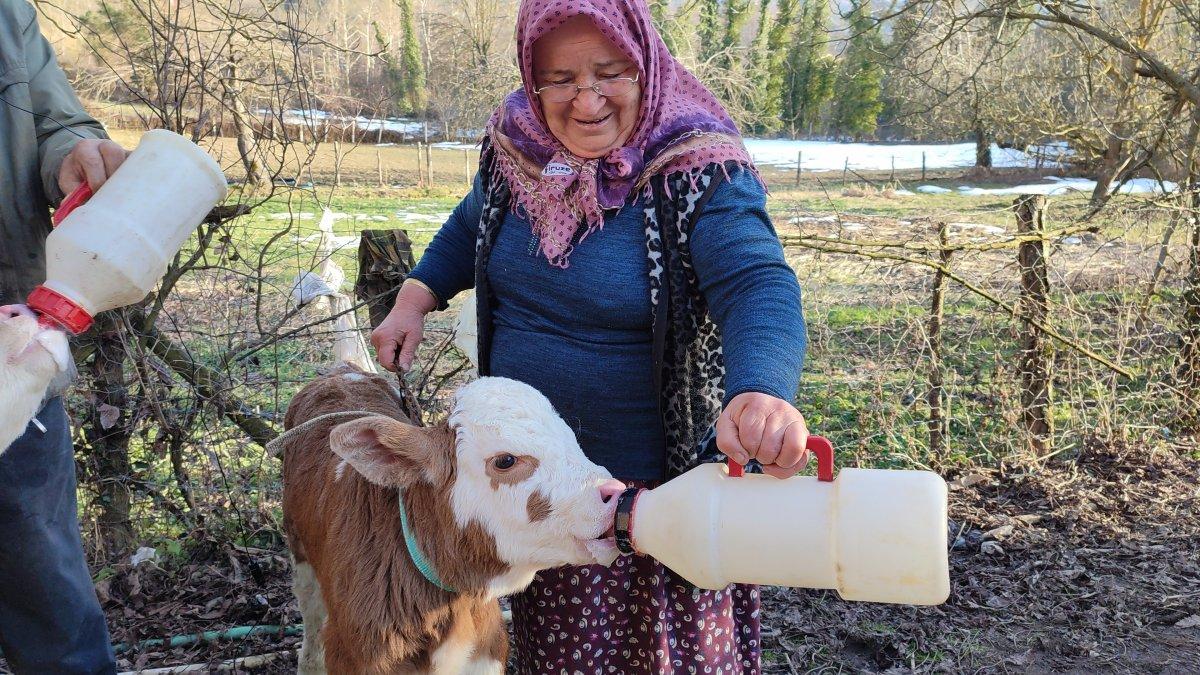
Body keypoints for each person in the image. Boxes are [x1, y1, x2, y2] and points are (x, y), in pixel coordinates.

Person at [371, 0, 807, 670]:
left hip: (657, 500)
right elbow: (469, 227)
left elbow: (757, 282)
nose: (586, 99)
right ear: (531, 77)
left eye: (610, 72)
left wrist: (763, 391)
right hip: (541, 494)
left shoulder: (697, 168)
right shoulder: (516, 147)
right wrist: (416, 295)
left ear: (647, 64)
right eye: (560, 78)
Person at [0, 0, 130, 671]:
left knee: (51, 599)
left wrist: (74, 156)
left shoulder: (7, 16)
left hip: (11, 356)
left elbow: (55, 123)